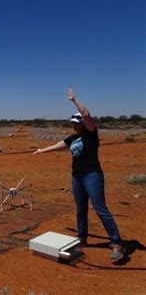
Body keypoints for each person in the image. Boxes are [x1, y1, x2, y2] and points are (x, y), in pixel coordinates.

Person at [33, 88, 125, 262]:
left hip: (92, 175)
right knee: (80, 209)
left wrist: (75, 100)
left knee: (100, 209)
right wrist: (41, 150)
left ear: (83, 123)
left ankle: (117, 243)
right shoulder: (72, 138)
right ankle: (82, 238)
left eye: (77, 122)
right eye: (73, 123)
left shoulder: (91, 134)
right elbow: (58, 146)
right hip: (77, 177)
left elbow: (87, 114)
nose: (74, 125)